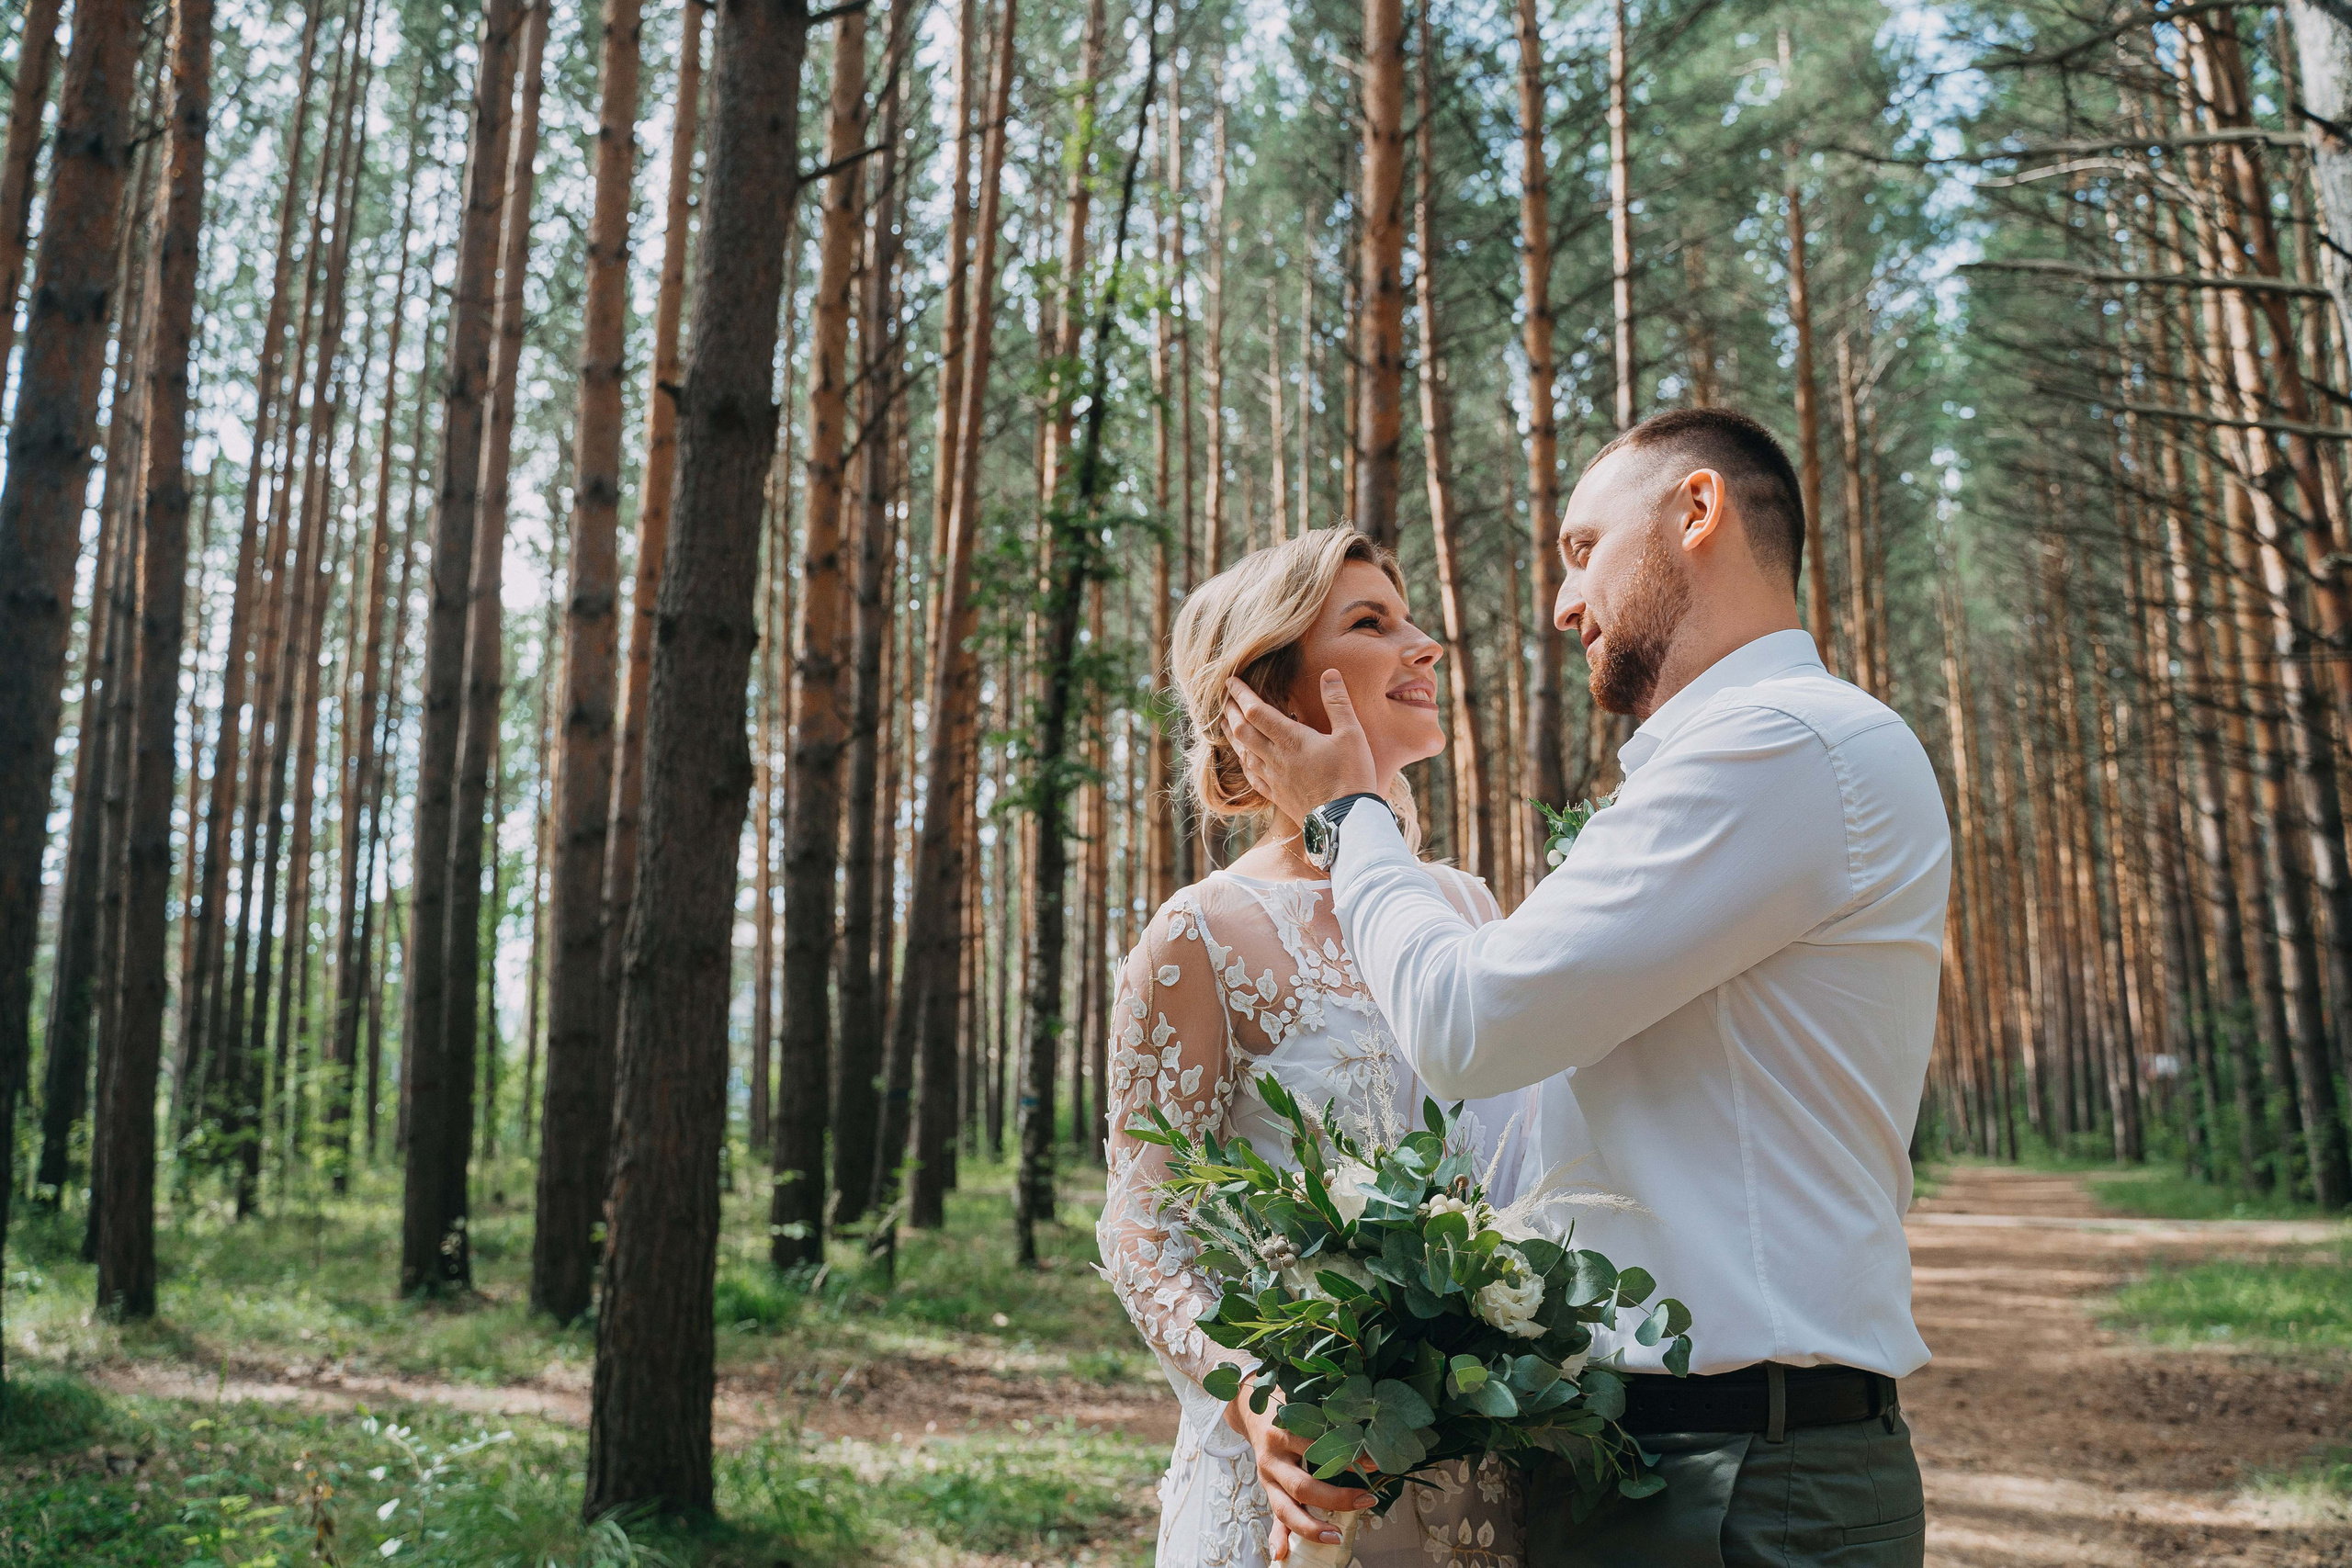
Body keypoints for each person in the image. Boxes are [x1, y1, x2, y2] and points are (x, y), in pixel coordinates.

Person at [1224, 407, 1951, 1567]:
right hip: (1642, 1458)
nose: (1563, 606)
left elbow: (1467, 1025)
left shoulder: (1779, 746)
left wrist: (1354, 819)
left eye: (1579, 550)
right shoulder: (1751, 756)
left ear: (1695, 513)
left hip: (1734, 1487)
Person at [1098, 527, 1531, 1568]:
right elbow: (1139, 1226)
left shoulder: (1467, 907)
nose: (1425, 646)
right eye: (1372, 623)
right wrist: (1256, 1398)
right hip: (1292, 1481)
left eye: (1410, 616)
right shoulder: (1198, 935)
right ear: (1268, 692)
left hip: (1475, 1473)